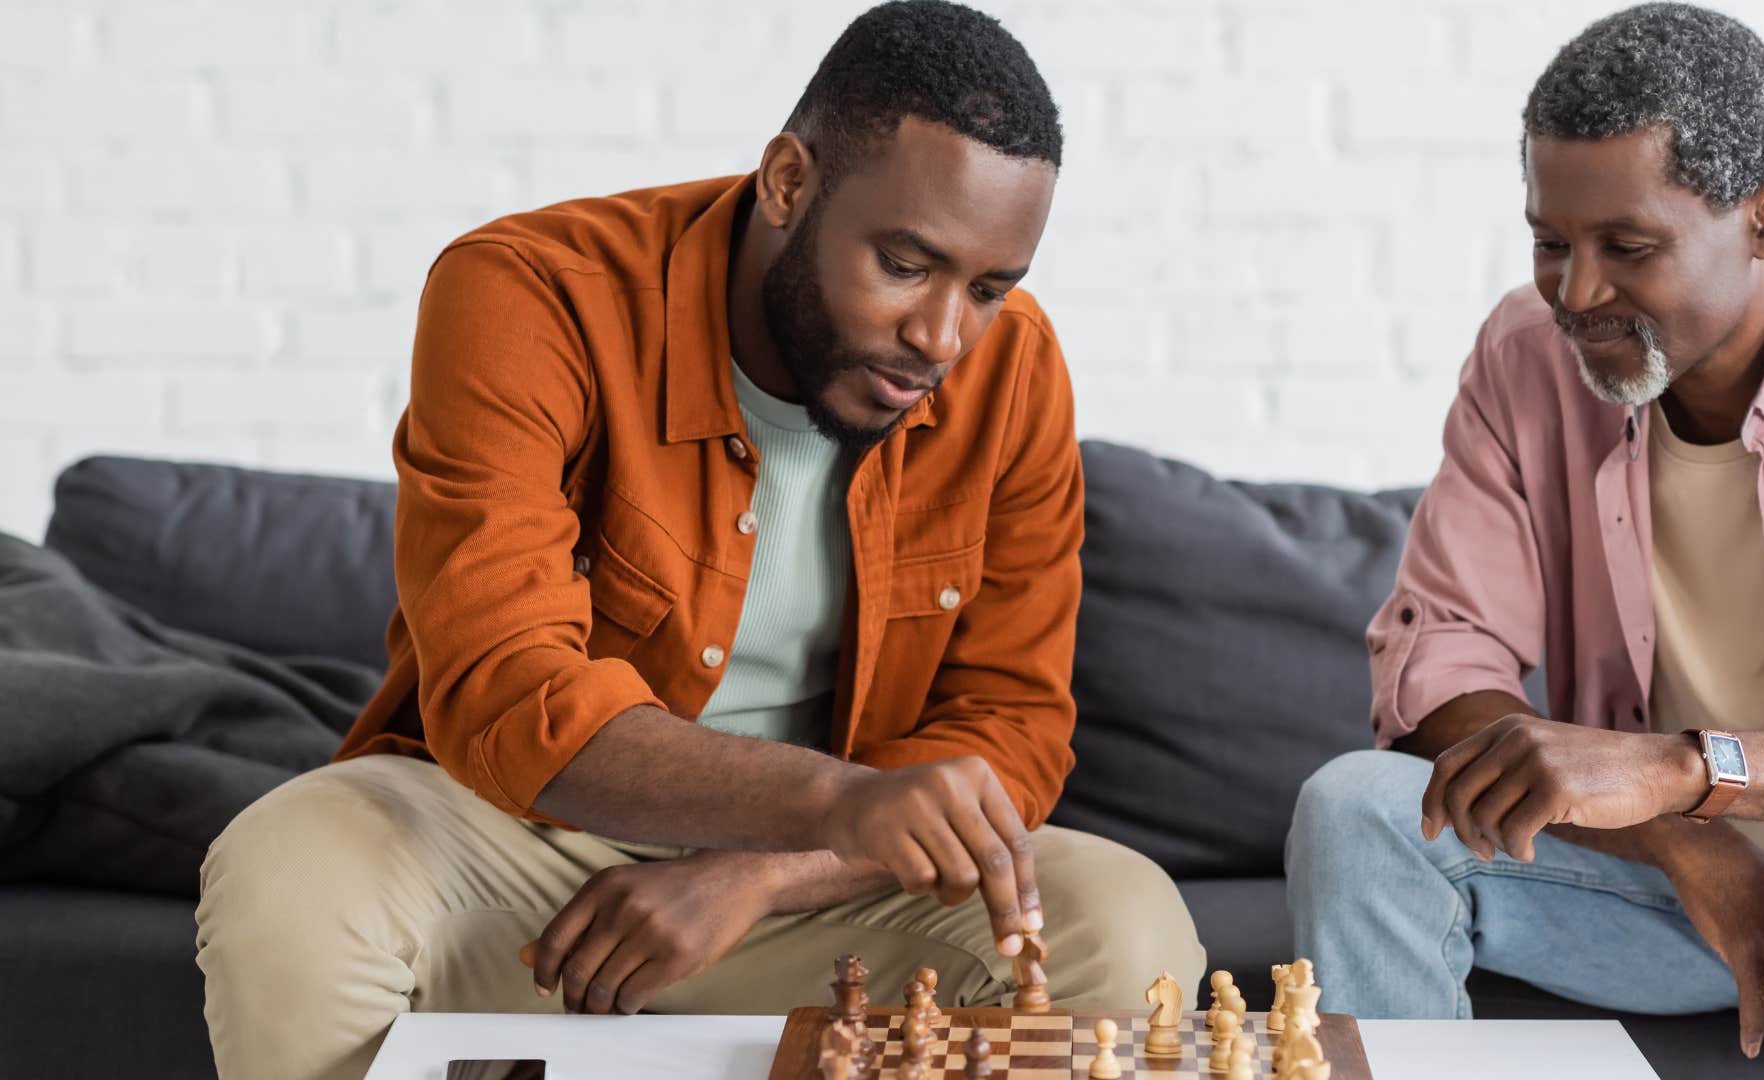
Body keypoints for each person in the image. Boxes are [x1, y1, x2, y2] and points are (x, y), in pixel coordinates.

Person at [194, 4, 1203, 1077]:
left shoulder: (1015, 373)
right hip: (517, 849)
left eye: (990, 289)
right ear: (787, 182)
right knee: (288, 874)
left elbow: (1012, 727)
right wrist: (836, 799)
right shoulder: (529, 294)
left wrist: (765, 868)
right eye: (906, 264)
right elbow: (507, 689)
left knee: (1120, 918)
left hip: (824, 881)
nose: (943, 337)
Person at [1286, 5, 1764, 1077]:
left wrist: (1686, 774)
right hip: (1660, 888)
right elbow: (1437, 659)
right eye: (1550, 242)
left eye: (1628, 248)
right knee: (1354, 806)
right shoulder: (1523, 358)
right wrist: (1690, 844)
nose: (1578, 294)